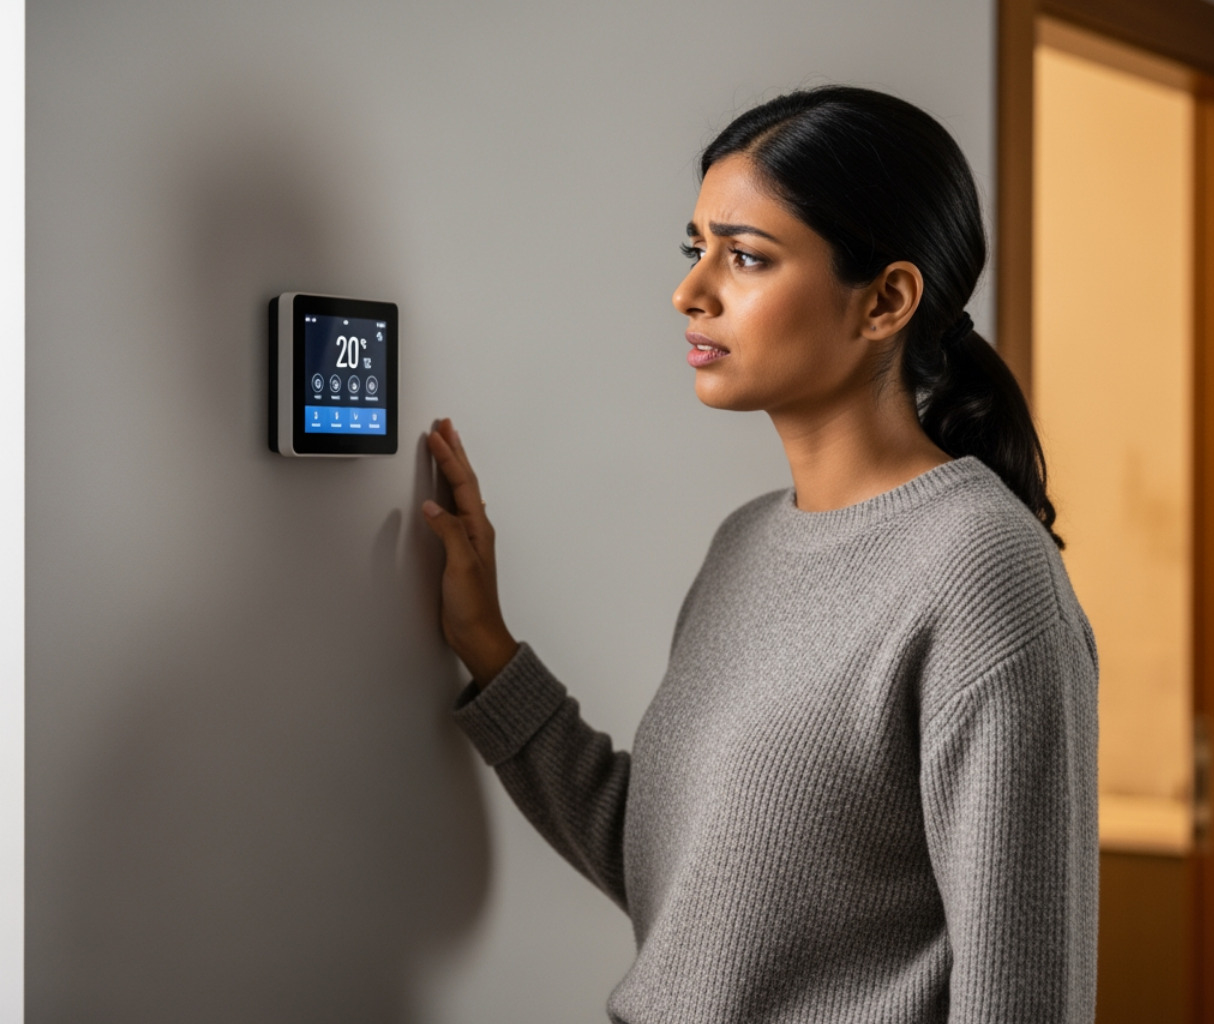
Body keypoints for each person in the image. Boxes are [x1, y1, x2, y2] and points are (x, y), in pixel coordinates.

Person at [421, 85, 1099, 1024]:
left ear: (886, 300)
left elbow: (1024, 998)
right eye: (695, 248)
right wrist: (488, 647)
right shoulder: (744, 543)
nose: (690, 293)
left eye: (745, 256)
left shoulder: (983, 573)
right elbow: (690, 890)